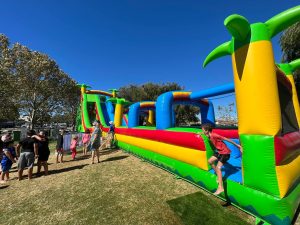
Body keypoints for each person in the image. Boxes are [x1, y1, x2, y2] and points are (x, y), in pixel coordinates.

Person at [201, 123, 242, 195]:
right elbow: (204, 134)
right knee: (210, 161)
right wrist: (200, 133)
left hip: (225, 153)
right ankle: (218, 174)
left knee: (218, 167)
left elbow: (226, 139)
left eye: (203, 130)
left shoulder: (214, 135)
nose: (203, 131)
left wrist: (238, 146)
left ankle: (220, 188)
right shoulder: (208, 135)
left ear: (207, 130)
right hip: (219, 152)